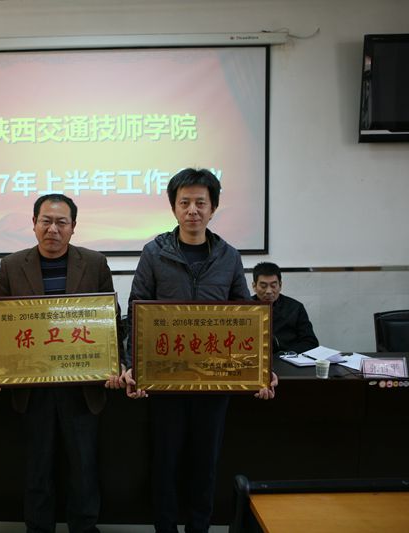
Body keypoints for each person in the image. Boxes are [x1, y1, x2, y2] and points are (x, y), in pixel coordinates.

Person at [126, 168, 277, 533]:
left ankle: (199, 528)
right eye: (185, 203)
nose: (192, 210)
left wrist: (262, 367)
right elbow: (136, 311)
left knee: (205, 463)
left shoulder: (228, 256)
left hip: (213, 382)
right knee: (165, 462)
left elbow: (246, 316)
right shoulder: (154, 253)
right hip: (165, 380)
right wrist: (133, 366)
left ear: (213, 208)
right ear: (173, 208)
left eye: (200, 203)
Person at [0, 193, 125, 533]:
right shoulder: (12, 266)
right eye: (46, 221)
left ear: (73, 227)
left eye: (62, 222)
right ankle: (38, 527)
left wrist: (114, 364)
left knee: (84, 468)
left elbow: (111, 321)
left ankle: (84, 527)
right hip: (33, 388)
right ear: (33, 224)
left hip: (82, 386)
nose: (53, 229)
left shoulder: (94, 263)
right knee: (37, 468)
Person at [251, 261, 319, 354]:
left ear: (280, 285)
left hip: (287, 359)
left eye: (273, 286)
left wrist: (287, 354)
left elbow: (310, 342)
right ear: (254, 286)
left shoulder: (295, 308)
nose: (269, 291)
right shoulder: (244, 309)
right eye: (263, 286)